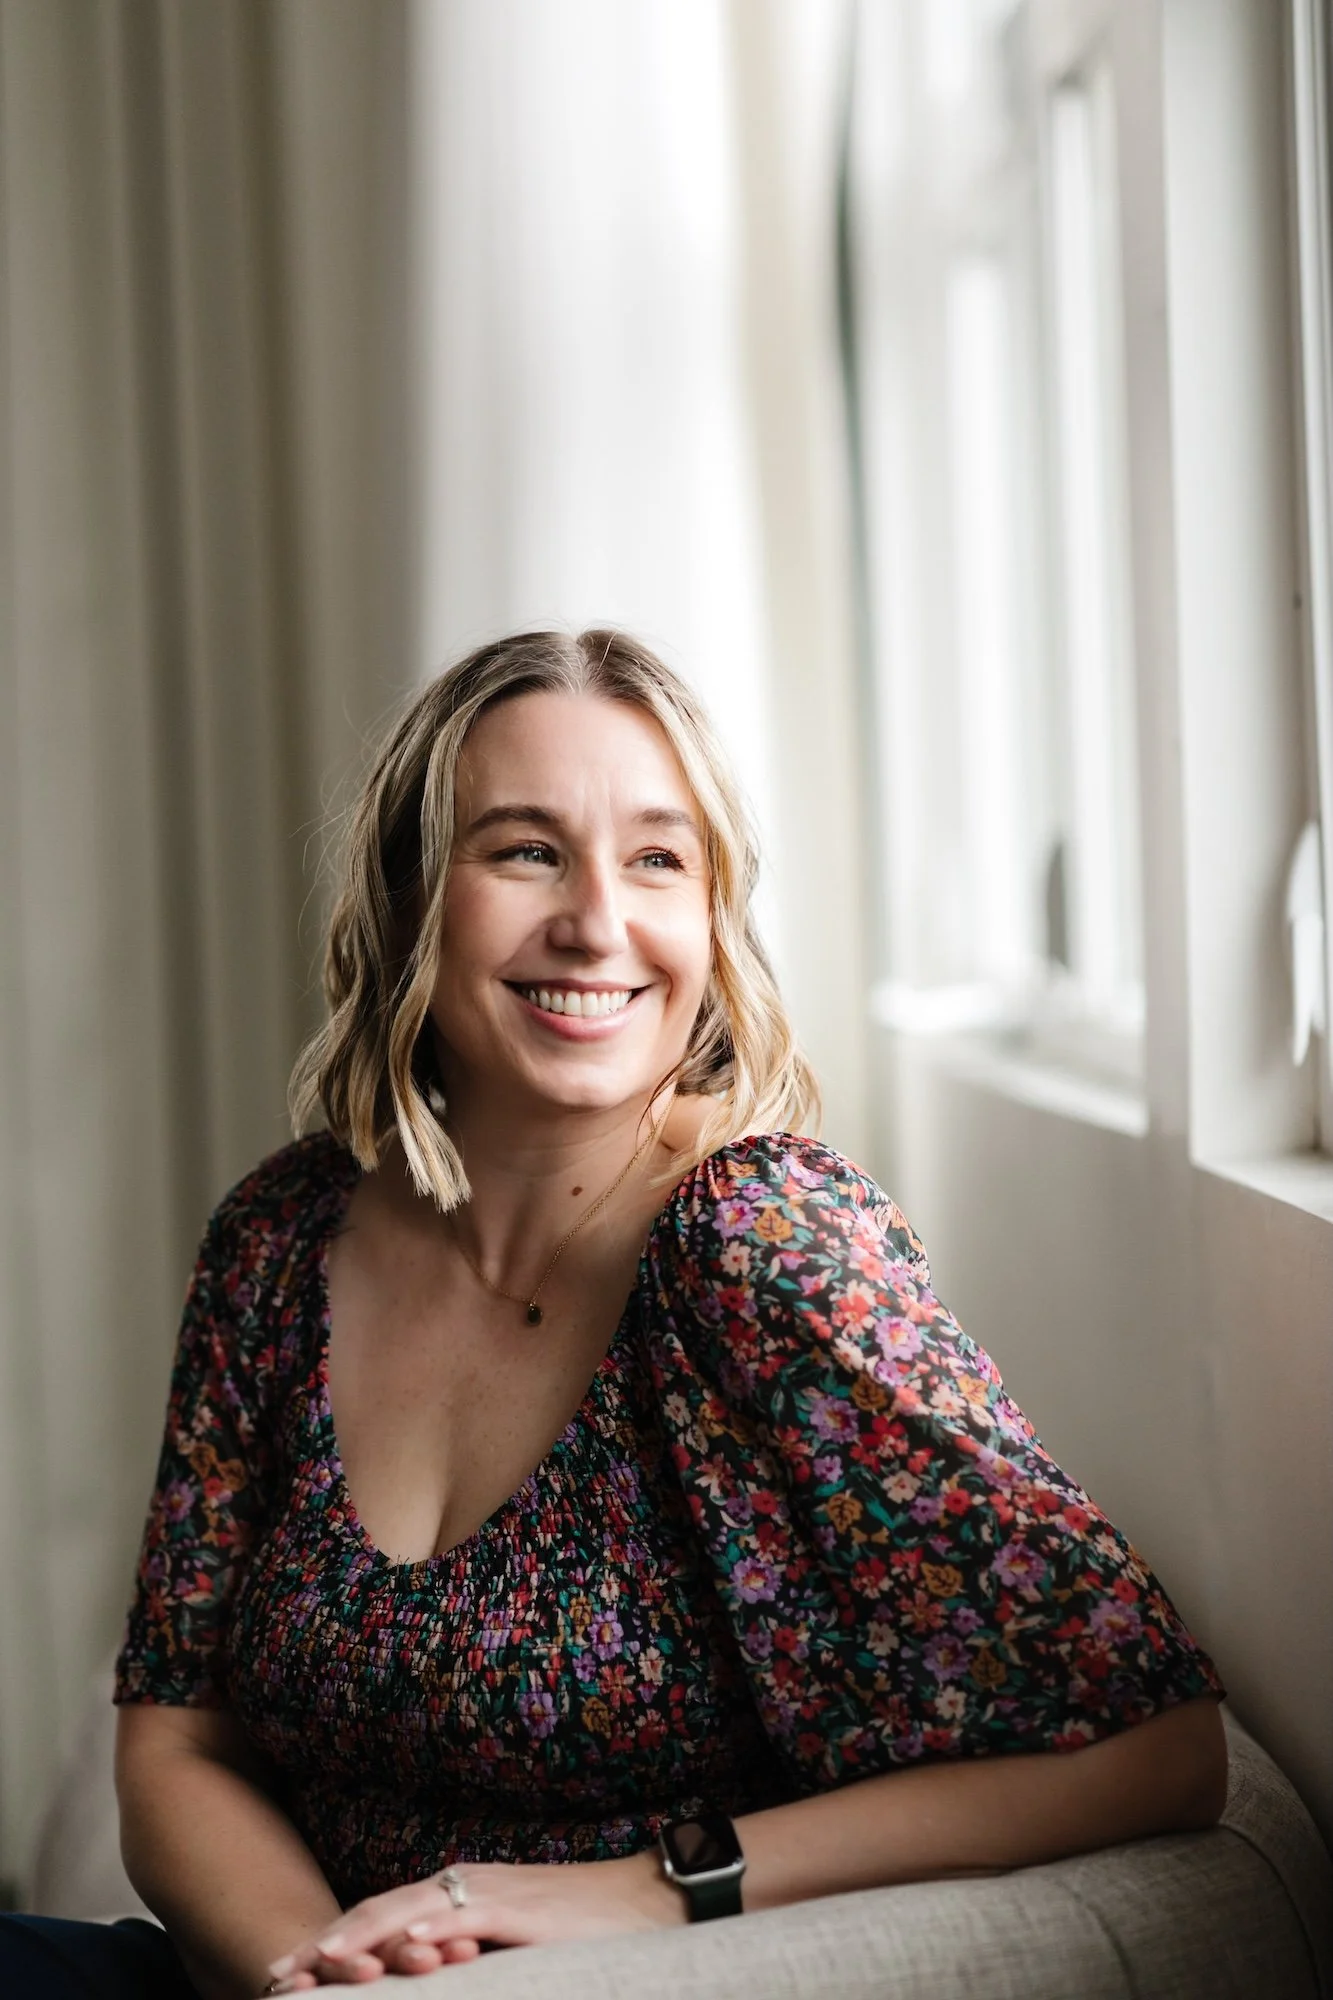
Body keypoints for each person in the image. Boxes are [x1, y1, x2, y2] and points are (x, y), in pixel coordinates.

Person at [2, 629, 1226, 2000]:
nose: (596, 922)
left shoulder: (763, 1245)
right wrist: (320, 1980)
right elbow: (178, 1736)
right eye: (525, 850)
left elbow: (1158, 1747)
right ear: (412, 895)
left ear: (713, 914)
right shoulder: (279, 1240)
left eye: (657, 859)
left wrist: (656, 1890)